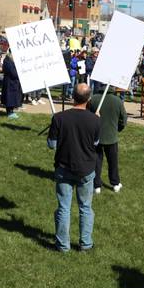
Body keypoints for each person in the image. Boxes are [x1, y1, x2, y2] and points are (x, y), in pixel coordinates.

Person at [46, 83, 101, 252]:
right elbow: (95, 143)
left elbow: (51, 144)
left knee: (64, 207)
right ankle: (85, 243)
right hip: (84, 168)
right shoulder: (94, 119)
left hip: (65, 167)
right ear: (89, 99)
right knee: (85, 207)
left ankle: (64, 245)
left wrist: (57, 126)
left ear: (72, 97)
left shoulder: (59, 118)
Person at [87, 90, 127, 194]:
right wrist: (118, 129)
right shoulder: (117, 101)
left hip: (96, 136)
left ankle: (96, 185)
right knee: (112, 161)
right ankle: (115, 183)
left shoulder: (93, 99)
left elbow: (87, 116)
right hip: (111, 137)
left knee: (96, 161)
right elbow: (124, 119)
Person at [0, 51, 23, 119]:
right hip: (9, 82)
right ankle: (9, 112)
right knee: (9, 98)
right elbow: (12, 72)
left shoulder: (11, 60)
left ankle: (12, 111)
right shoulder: (7, 61)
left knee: (13, 97)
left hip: (14, 82)